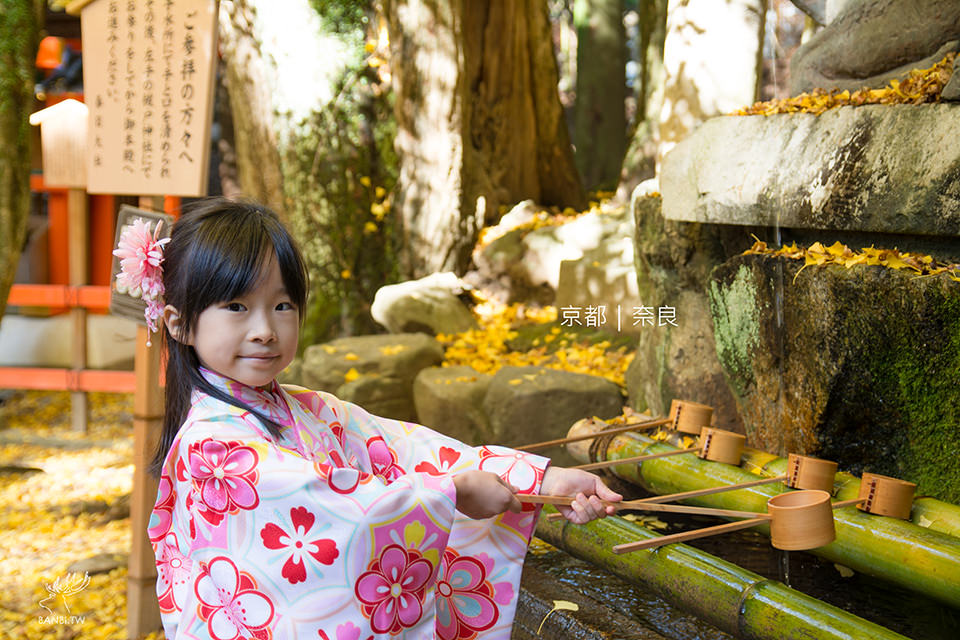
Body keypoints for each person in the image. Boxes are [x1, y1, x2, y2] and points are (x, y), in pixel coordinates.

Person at [125, 198, 621, 639]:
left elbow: (411, 450)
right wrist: (453, 494)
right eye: (236, 306)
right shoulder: (211, 447)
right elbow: (332, 506)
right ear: (178, 322)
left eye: (282, 305)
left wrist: (543, 477)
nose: (265, 330)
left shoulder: (307, 409)